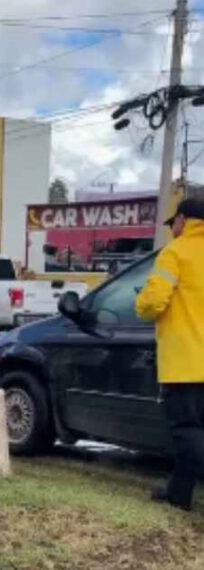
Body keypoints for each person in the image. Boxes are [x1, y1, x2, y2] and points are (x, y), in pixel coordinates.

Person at [137, 197, 204, 511]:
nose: (172, 230)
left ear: (183, 220)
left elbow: (152, 303)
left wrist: (141, 304)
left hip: (186, 361)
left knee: (186, 431)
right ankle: (179, 493)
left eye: (173, 223)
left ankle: (180, 493)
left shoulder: (175, 252)